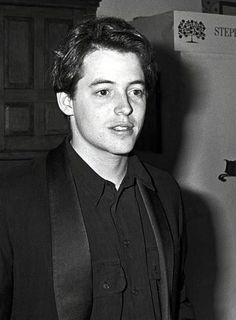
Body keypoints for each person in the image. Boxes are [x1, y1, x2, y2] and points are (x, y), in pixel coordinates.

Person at [0, 17, 195, 320]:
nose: (125, 107)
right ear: (67, 102)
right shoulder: (14, 199)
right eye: (104, 91)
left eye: (135, 91)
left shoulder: (166, 192)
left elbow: (178, 303)